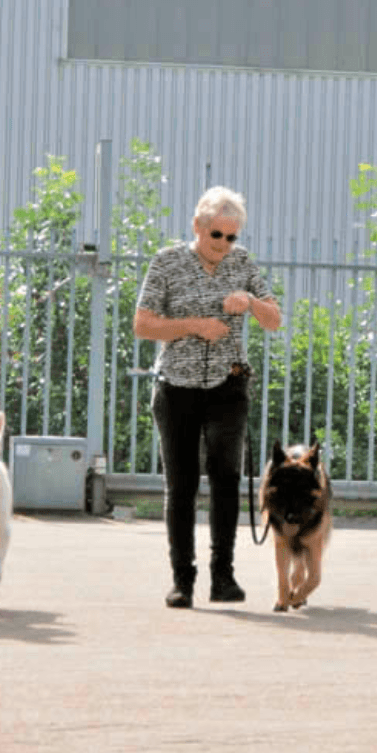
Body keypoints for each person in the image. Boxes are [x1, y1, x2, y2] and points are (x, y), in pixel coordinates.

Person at [134, 186, 282, 608]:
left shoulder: (242, 264)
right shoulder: (166, 262)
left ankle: (224, 577)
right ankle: (183, 580)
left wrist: (251, 301)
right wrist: (195, 325)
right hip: (176, 387)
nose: (223, 245)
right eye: (216, 234)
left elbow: (274, 320)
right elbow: (143, 324)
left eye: (231, 237)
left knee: (225, 479)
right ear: (197, 226)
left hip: (227, 386)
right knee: (180, 485)